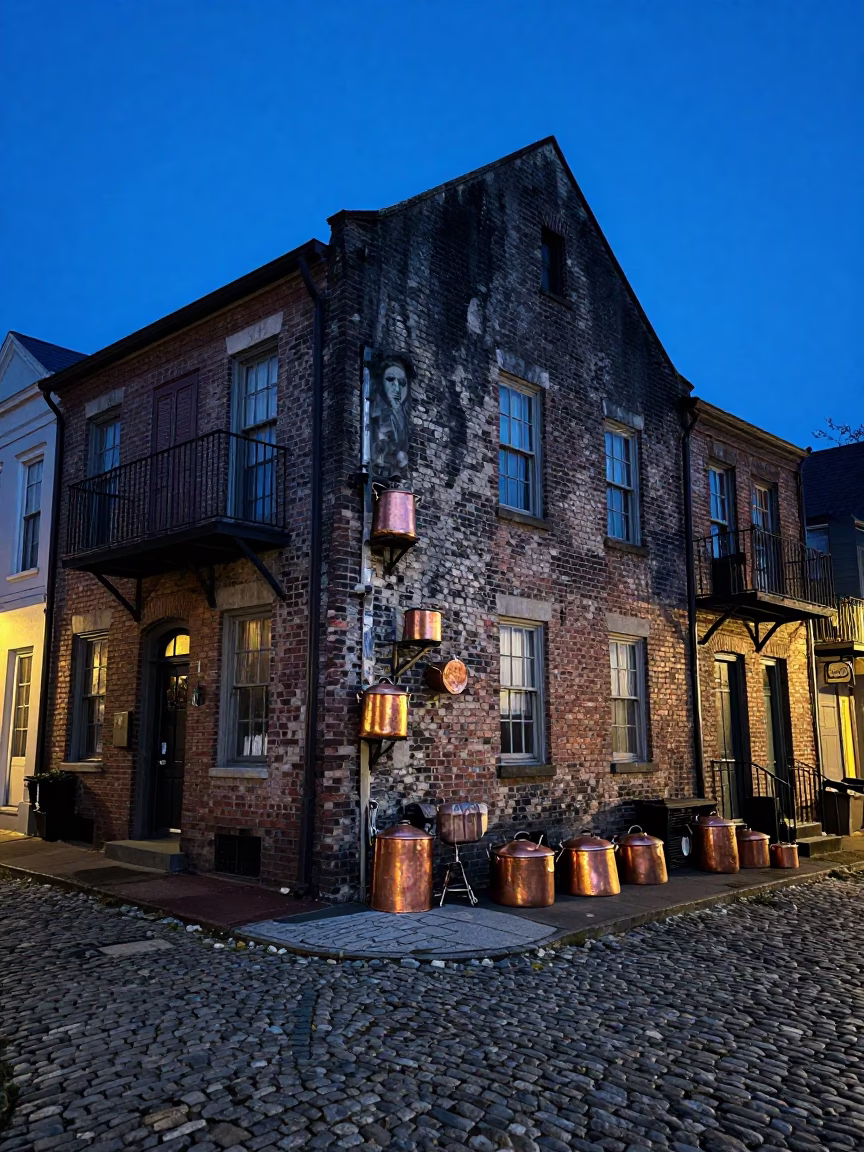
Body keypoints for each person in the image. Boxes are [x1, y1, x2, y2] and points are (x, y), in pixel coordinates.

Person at [369, 354, 411, 480]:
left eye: (402, 382)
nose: (397, 388)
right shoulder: (377, 411)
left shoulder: (402, 417)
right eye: (390, 380)